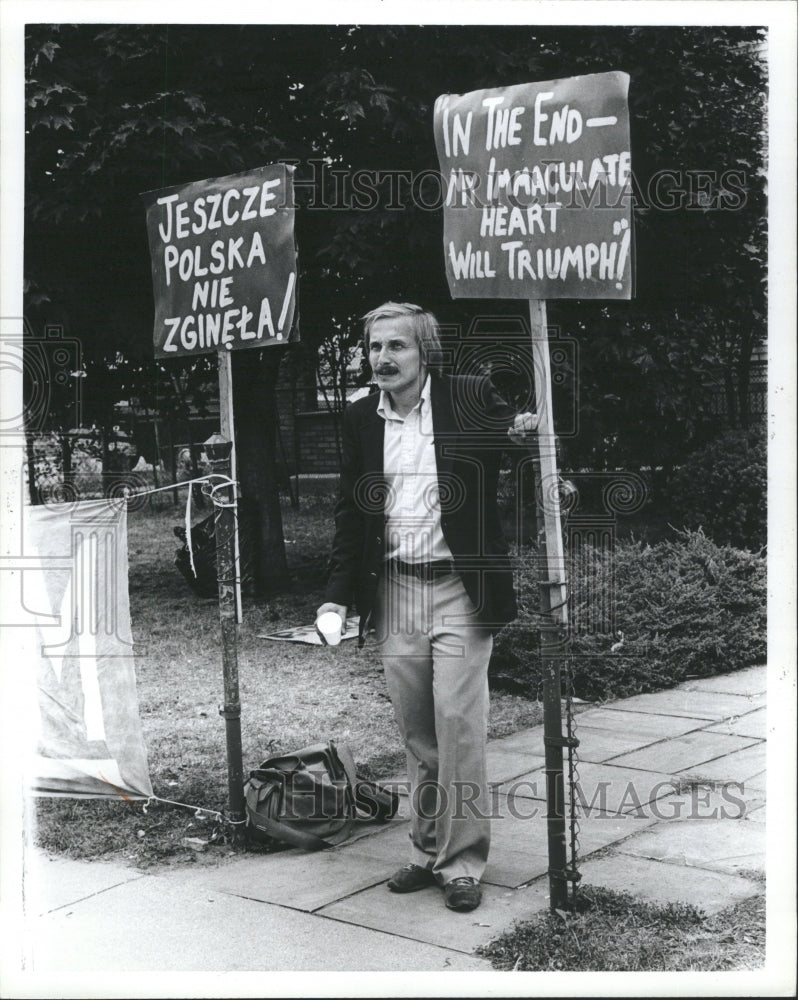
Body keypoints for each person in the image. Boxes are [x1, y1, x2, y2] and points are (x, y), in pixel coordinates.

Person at [316, 301, 536, 913]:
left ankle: (463, 862)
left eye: (397, 347)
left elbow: (517, 445)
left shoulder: (466, 397)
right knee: (418, 732)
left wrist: (525, 432)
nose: (383, 358)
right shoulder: (362, 418)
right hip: (395, 590)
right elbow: (350, 512)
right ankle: (426, 846)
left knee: (458, 725)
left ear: (424, 353)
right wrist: (336, 595)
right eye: (375, 347)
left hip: (461, 589)